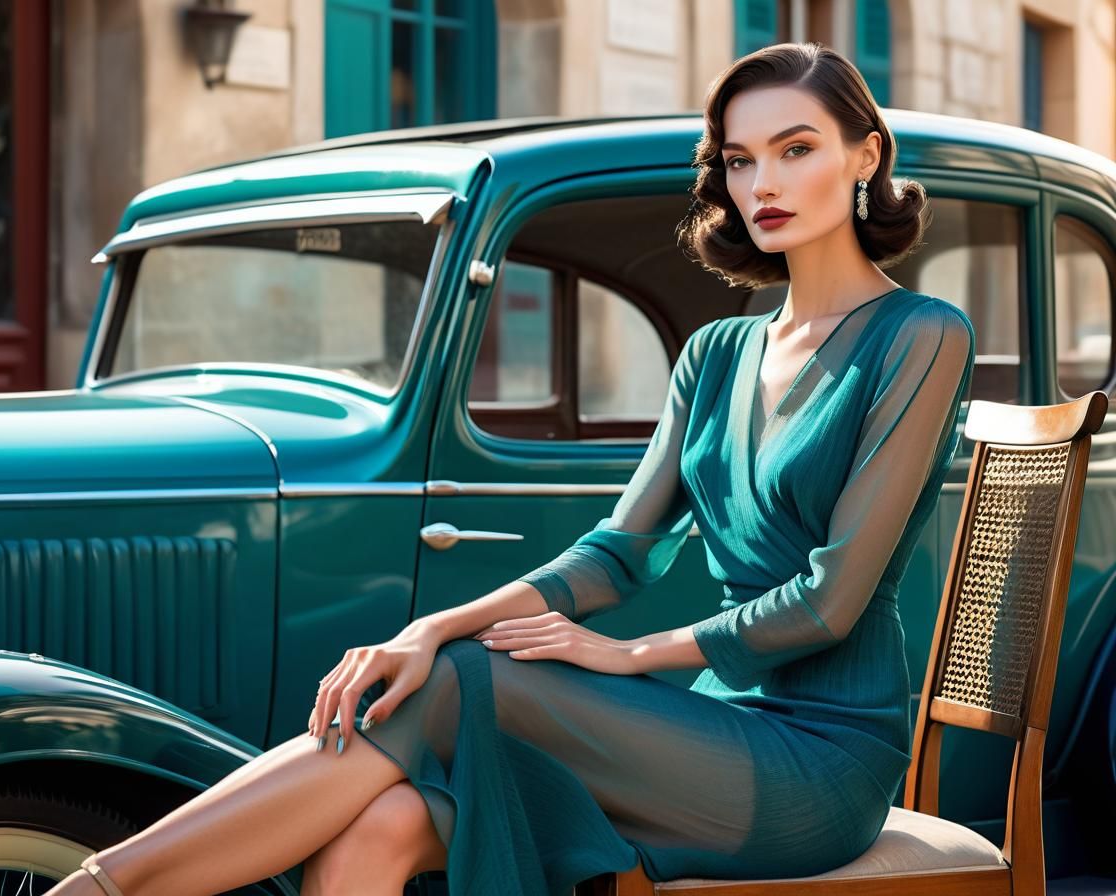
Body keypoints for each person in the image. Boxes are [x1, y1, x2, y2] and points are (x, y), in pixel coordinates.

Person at [53, 41, 975, 896]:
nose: (762, 182)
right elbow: (617, 555)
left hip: (818, 766)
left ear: (865, 156)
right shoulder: (716, 353)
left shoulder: (919, 336)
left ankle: (100, 888)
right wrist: (429, 627)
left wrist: (627, 656)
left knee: (456, 678)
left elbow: (830, 600)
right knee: (384, 820)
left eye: (796, 148)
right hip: (706, 732)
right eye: (739, 160)